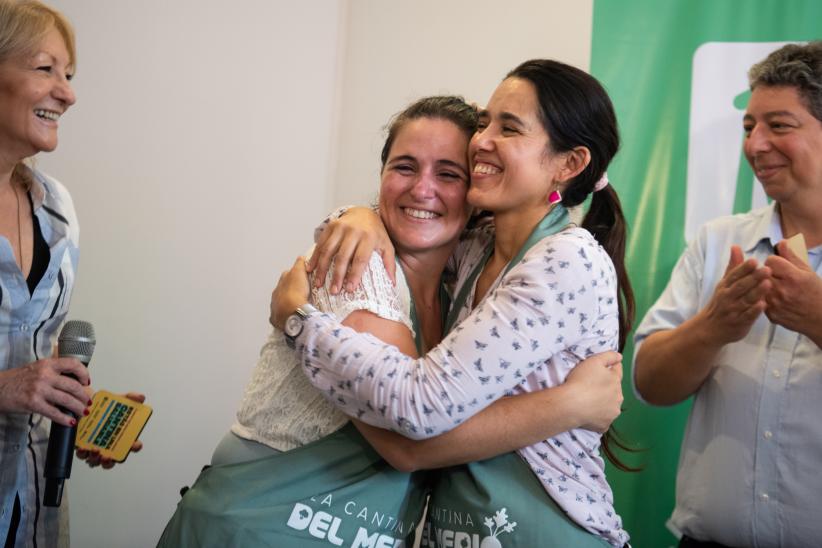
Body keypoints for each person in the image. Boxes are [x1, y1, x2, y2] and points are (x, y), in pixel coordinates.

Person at [158, 95, 624, 547]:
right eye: (404, 167)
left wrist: (355, 215)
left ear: (474, 190)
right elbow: (408, 444)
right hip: (254, 531)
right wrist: (572, 405)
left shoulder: (468, 274)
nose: (422, 189)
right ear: (381, 176)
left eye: (449, 173)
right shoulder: (352, 271)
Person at [272, 58, 635, 547]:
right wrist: (359, 215)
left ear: (568, 164)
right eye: (485, 121)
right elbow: (413, 221)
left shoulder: (565, 260)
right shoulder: (475, 249)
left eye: (509, 128)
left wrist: (299, 324)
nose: (481, 140)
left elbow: (421, 407)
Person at [632, 41, 822, 548]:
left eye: (778, 125)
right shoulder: (719, 242)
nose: (755, 145)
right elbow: (649, 383)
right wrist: (713, 327)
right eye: (748, 127)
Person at [0, 2, 143, 546]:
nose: (68, 93)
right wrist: (7, 388)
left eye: (69, 75)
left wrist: (70, 407)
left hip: (33, 512)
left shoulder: (56, 209)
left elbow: (28, 362)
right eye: (45, 69)